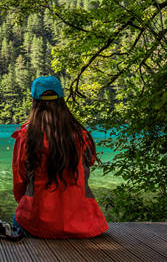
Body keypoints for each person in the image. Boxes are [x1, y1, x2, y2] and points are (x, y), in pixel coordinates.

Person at [11, 76, 108, 238]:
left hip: (38, 223)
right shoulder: (81, 135)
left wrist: (26, 203)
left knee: (17, 219)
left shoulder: (26, 136)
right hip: (84, 223)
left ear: (34, 101)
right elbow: (89, 163)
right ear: (62, 100)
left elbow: (19, 180)